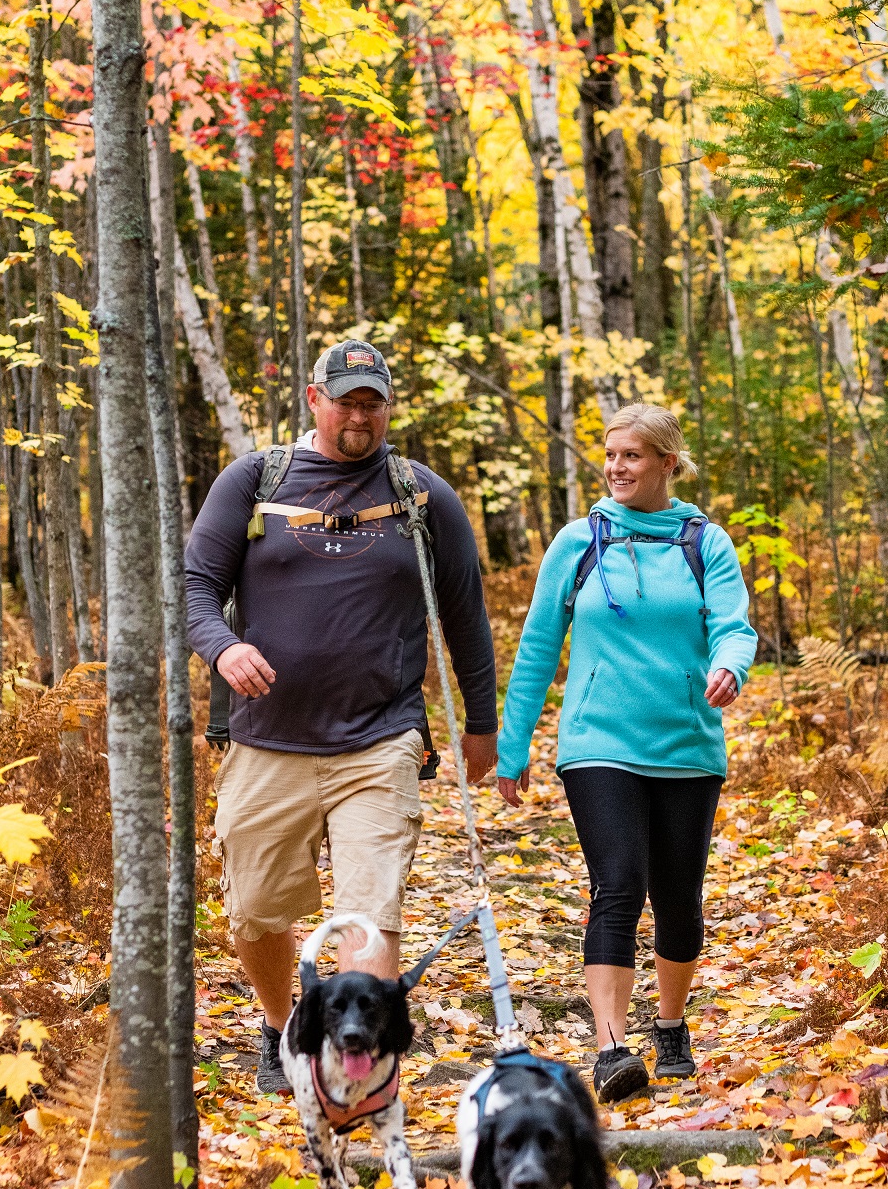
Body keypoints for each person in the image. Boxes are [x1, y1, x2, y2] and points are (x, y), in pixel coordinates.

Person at [186, 338, 498, 1094]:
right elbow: (194, 586)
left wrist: (482, 727)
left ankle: (357, 1076)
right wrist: (223, 650)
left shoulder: (423, 495)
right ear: (314, 398)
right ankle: (278, 1026)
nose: (361, 414)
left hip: (380, 740)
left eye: (374, 401)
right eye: (348, 399)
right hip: (265, 740)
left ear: (388, 406)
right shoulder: (256, 480)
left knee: (371, 915)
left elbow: (466, 616)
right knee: (255, 912)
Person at [493, 404, 759, 1100]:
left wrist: (731, 665)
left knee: (679, 901)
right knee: (617, 885)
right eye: (610, 455)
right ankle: (611, 1048)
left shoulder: (706, 542)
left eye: (632, 456)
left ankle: (670, 1026)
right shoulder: (579, 543)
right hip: (597, 743)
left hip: (686, 743)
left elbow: (735, 627)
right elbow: (536, 652)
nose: (616, 467)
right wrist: (512, 748)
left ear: (669, 463)